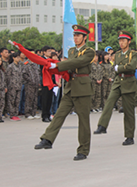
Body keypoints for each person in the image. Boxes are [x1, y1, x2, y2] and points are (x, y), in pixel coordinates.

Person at [34, 24, 95, 161]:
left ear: (84, 38)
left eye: (78, 35)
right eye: (74, 35)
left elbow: (78, 62)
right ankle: (47, 139)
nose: (75, 38)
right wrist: (54, 69)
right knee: (59, 114)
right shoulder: (72, 50)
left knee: (83, 121)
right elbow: (69, 67)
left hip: (83, 88)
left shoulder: (89, 51)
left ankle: (83, 150)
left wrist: (58, 65)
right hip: (70, 86)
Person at [93, 31, 137, 146]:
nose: (121, 43)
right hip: (118, 81)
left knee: (128, 111)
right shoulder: (117, 54)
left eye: (123, 40)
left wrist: (120, 68)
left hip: (129, 82)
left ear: (129, 42)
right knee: (109, 102)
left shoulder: (133, 54)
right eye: (120, 40)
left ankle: (129, 136)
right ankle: (102, 125)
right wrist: (121, 68)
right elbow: (119, 68)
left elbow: (132, 66)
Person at [22, 53, 41, 120]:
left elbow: (38, 73)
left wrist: (38, 81)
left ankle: (33, 112)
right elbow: (24, 74)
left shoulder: (35, 64)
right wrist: (30, 80)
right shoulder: (26, 64)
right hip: (29, 84)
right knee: (29, 98)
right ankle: (28, 113)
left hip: (36, 84)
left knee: (35, 98)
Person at [40, 46, 56, 122]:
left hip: (51, 81)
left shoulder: (50, 60)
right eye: (49, 51)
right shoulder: (42, 60)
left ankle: (48, 114)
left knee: (50, 99)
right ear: (44, 52)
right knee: (45, 99)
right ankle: (44, 115)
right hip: (45, 82)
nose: (50, 52)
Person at [6, 52, 22, 121]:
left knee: (17, 100)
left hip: (19, 85)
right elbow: (7, 77)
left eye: (19, 57)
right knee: (11, 100)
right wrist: (8, 85)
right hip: (12, 86)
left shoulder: (20, 66)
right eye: (17, 57)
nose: (18, 59)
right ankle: (11, 114)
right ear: (13, 58)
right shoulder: (10, 66)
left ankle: (16, 113)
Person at [0, 57, 7, 122]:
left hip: (2, 89)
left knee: (2, 103)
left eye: (0, 60)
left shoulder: (2, 70)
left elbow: (4, 80)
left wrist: (5, 87)